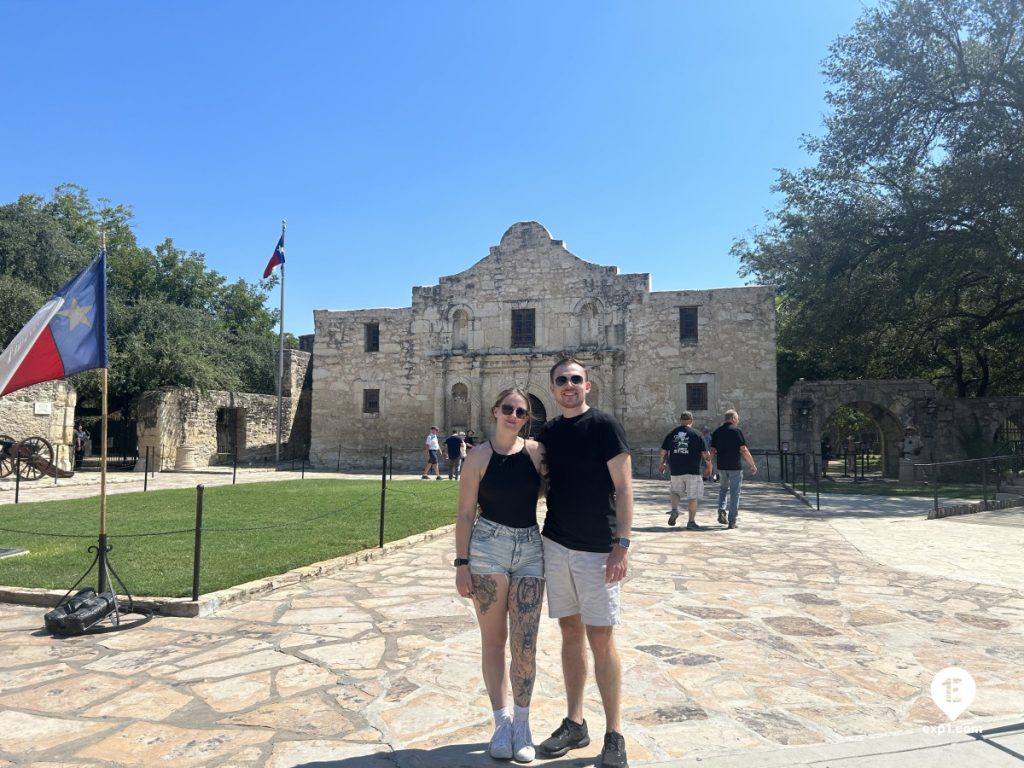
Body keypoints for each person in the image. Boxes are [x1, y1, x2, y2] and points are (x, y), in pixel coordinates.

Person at [535, 357, 633, 768]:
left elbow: (625, 488)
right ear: (553, 388)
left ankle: (614, 733)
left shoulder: (605, 426)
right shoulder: (549, 432)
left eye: (576, 379)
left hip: (597, 548)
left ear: (588, 385)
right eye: (562, 381)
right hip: (557, 544)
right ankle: (575, 722)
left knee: (602, 638)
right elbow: (533, 480)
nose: (569, 385)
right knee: (570, 633)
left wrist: (621, 545)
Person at [454, 388, 545, 762]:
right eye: (507, 408)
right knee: (494, 641)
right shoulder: (476, 457)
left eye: (520, 411)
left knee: (525, 643)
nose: (513, 414)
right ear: (494, 411)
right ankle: (501, 721)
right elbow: (463, 513)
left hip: (529, 548)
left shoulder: (538, 453)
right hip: (487, 546)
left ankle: (523, 723)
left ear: (527, 417)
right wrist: (461, 564)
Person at [659, 411, 712, 529]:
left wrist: (662, 464)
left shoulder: (672, 433)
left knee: (675, 492)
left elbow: (663, 451)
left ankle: (674, 510)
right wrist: (709, 466)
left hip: (676, 469)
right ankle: (691, 522)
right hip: (692, 470)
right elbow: (706, 454)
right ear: (691, 421)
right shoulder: (697, 434)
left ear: (680, 420)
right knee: (693, 497)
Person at [709, 409, 758, 529]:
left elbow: (712, 451)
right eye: (737, 419)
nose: (738, 421)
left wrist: (711, 467)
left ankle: (721, 510)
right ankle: (732, 520)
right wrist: (752, 464)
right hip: (735, 466)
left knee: (723, 489)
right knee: (735, 493)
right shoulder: (737, 431)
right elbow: (744, 450)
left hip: (722, 466)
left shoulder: (717, 432)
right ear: (733, 419)